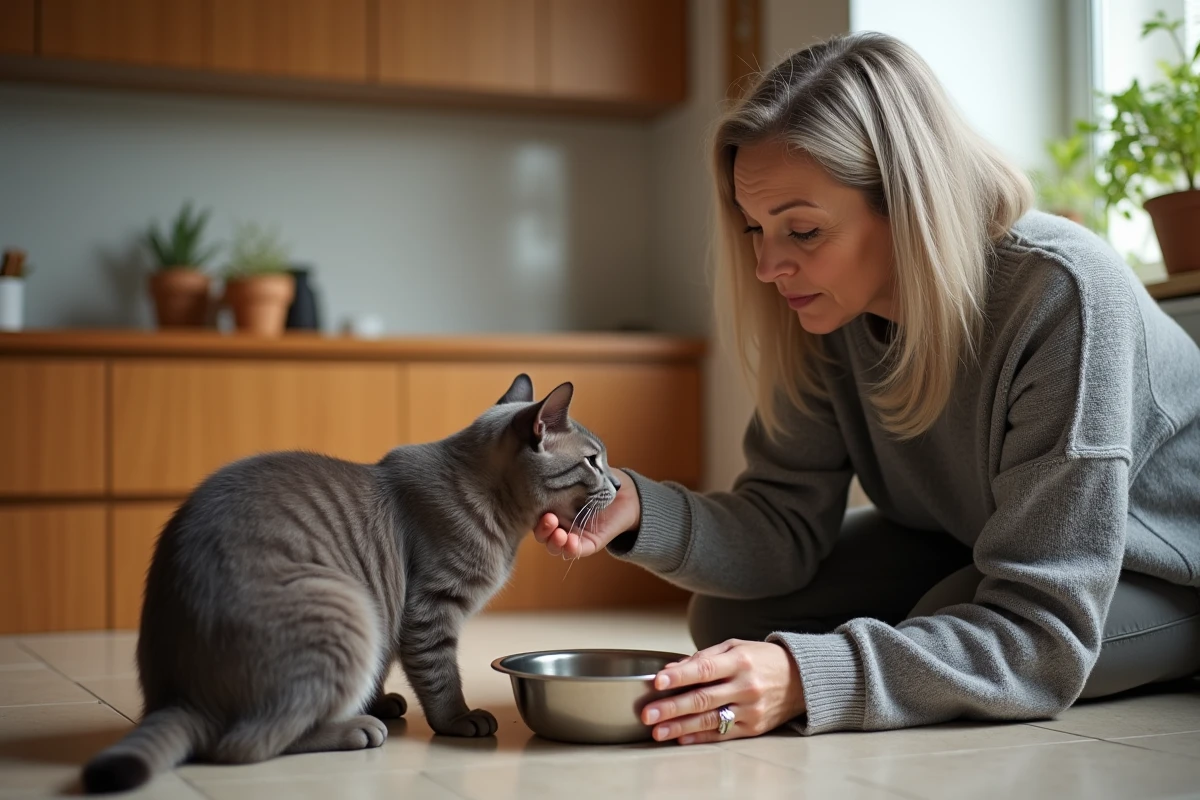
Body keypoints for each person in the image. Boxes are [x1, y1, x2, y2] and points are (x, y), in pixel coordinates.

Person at [534, 31, 1200, 745]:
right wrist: (638, 508)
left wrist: (804, 676)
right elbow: (782, 527)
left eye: (803, 230)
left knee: (949, 615)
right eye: (756, 228)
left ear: (910, 202)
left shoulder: (1063, 294)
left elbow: (1040, 632)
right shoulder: (831, 311)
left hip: (1154, 564)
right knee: (727, 622)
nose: (767, 265)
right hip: (975, 536)